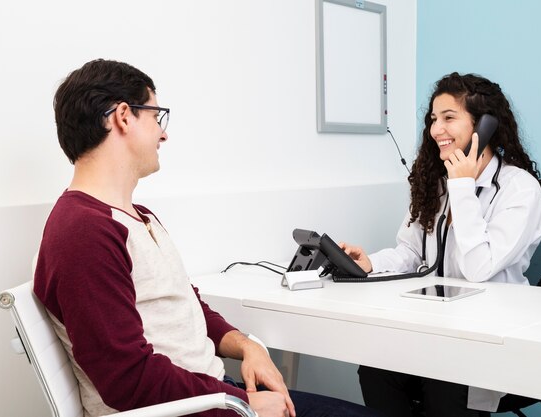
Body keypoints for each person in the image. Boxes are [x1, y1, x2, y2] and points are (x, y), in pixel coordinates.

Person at [33, 59, 382, 417]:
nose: (163, 133)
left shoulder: (137, 218)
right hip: (202, 407)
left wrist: (247, 347)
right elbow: (127, 378)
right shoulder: (83, 232)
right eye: (156, 116)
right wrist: (243, 404)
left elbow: (187, 308)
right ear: (124, 116)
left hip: (216, 398)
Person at [340, 72, 541, 417]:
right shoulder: (434, 185)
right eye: (433, 119)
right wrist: (370, 263)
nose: (437, 130)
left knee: (444, 381)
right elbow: (411, 252)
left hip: (486, 337)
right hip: (435, 330)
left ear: (486, 126)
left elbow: (478, 269)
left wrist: (463, 189)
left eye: (449, 118)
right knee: (376, 368)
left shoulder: (519, 190)